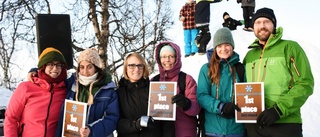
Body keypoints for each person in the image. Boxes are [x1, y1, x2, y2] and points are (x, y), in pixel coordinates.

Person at [243, 7, 314, 137]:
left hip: (285, 124)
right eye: (258, 22)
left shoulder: (290, 48)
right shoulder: (249, 56)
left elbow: (305, 83)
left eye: (266, 22)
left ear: (274, 24)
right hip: (255, 125)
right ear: (253, 27)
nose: (262, 26)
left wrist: (278, 110)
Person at [53, 48, 119, 137]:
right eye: (82, 67)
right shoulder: (72, 84)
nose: (85, 71)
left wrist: (91, 130)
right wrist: (34, 72)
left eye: (89, 67)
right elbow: (53, 80)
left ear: (96, 68)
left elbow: (112, 118)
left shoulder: (108, 90)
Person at [4, 47, 68, 137]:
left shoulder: (66, 89)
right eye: (50, 64)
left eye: (59, 65)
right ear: (43, 66)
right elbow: (11, 118)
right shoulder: (26, 87)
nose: (55, 68)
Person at [196, 27, 246, 137]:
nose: (223, 49)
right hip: (212, 130)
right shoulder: (207, 69)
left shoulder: (241, 69)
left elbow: (249, 94)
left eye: (227, 44)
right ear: (215, 48)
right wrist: (220, 107)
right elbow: (202, 95)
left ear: (232, 46)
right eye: (219, 46)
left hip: (236, 130)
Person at [152, 41, 201, 137]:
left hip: (184, 132)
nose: (167, 60)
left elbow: (197, 108)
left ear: (177, 58)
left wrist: (187, 104)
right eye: (164, 57)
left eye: (171, 56)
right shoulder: (154, 81)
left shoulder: (186, 80)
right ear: (159, 59)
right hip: (160, 131)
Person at [116, 52, 162, 137]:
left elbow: (165, 121)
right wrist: (136, 124)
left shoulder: (154, 89)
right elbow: (115, 122)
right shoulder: (118, 93)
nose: (136, 69)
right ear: (126, 68)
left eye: (140, 65)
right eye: (132, 65)